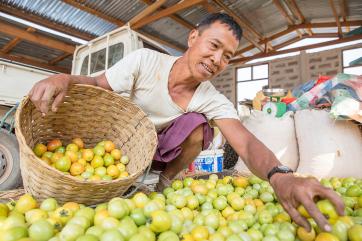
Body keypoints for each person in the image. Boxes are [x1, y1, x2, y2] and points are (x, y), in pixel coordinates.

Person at [29, 13, 344, 232]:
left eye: (227, 57)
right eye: (214, 46)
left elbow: (245, 143)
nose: (217, 60)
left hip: (159, 153)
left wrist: (280, 177)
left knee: (198, 124)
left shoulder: (213, 98)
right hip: (120, 148)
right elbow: (98, 83)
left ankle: (162, 182)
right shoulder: (145, 61)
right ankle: (126, 181)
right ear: (193, 37)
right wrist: (64, 77)